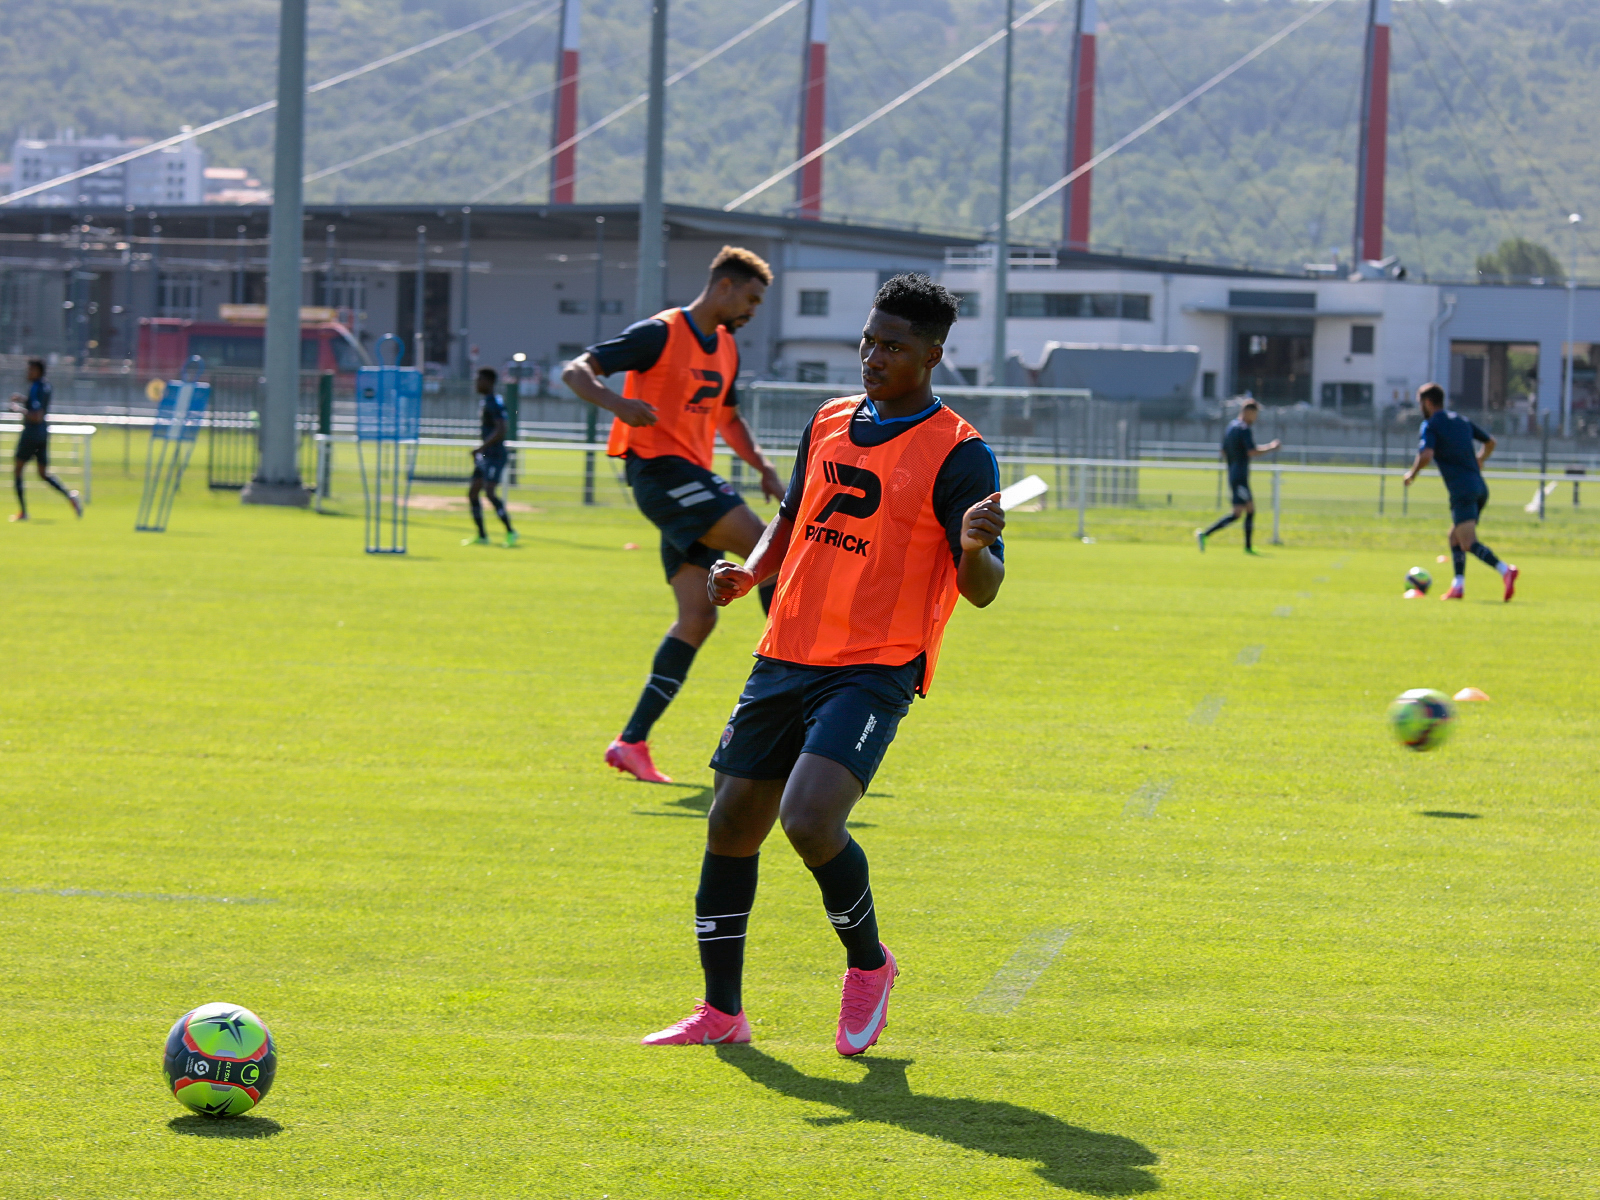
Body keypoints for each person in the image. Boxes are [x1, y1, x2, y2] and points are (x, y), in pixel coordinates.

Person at [639, 275, 1006, 1056]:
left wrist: (974, 548)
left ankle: (870, 964)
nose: (873, 356)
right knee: (732, 823)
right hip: (787, 650)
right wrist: (752, 574)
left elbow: (982, 591)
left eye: (893, 347)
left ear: (933, 355)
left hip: (874, 665)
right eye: (869, 340)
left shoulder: (962, 454)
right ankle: (721, 1012)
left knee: (808, 819)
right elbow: (790, 515)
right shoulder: (829, 419)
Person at [563, 246, 786, 785]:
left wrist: (761, 466)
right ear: (725, 287)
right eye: (752, 299)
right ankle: (803, 683)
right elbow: (576, 371)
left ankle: (631, 741)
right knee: (768, 554)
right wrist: (618, 405)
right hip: (661, 473)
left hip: (689, 479)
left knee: (699, 616)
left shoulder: (727, 347)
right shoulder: (660, 333)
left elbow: (727, 418)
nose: (754, 310)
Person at [1402, 382, 1517, 601]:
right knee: (1454, 536)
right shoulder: (1461, 420)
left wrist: (1412, 475)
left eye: (1420, 403)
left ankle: (1505, 571)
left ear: (1427, 402)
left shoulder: (1430, 424)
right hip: (1480, 487)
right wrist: (1480, 459)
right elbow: (1490, 442)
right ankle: (1458, 586)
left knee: (1467, 542)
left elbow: (1426, 455)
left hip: (1462, 490)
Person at [1196, 398, 1279, 553]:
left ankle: (1205, 535)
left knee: (1237, 513)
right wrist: (1272, 447)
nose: (1256, 417)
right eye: (1255, 414)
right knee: (1250, 509)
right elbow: (1252, 451)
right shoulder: (1244, 429)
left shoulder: (1231, 427)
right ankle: (1247, 547)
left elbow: (1223, 451)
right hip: (1240, 476)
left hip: (1233, 475)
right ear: (1248, 412)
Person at [10, 358, 82, 522]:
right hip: (43, 434)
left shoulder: (35, 387)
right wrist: (23, 399)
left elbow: (36, 415)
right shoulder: (46, 386)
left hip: (31, 433)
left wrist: (18, 409)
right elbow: (39, 406)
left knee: (18, 469)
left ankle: (23, 512)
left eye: (30, 370)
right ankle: (70, 496)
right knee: (43, 474)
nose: (27, 373)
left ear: (38, 371)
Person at [463, 367, 517, 548]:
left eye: (479, 380)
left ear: (489, 382)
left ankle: (511, 532)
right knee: (473, 493)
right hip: (485, 455)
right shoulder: (486, 401)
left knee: (490, 492)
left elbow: (501, 429)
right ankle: (482, 535)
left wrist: (481, 447)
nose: (476, 384)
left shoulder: (495, 402)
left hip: (494, 455)